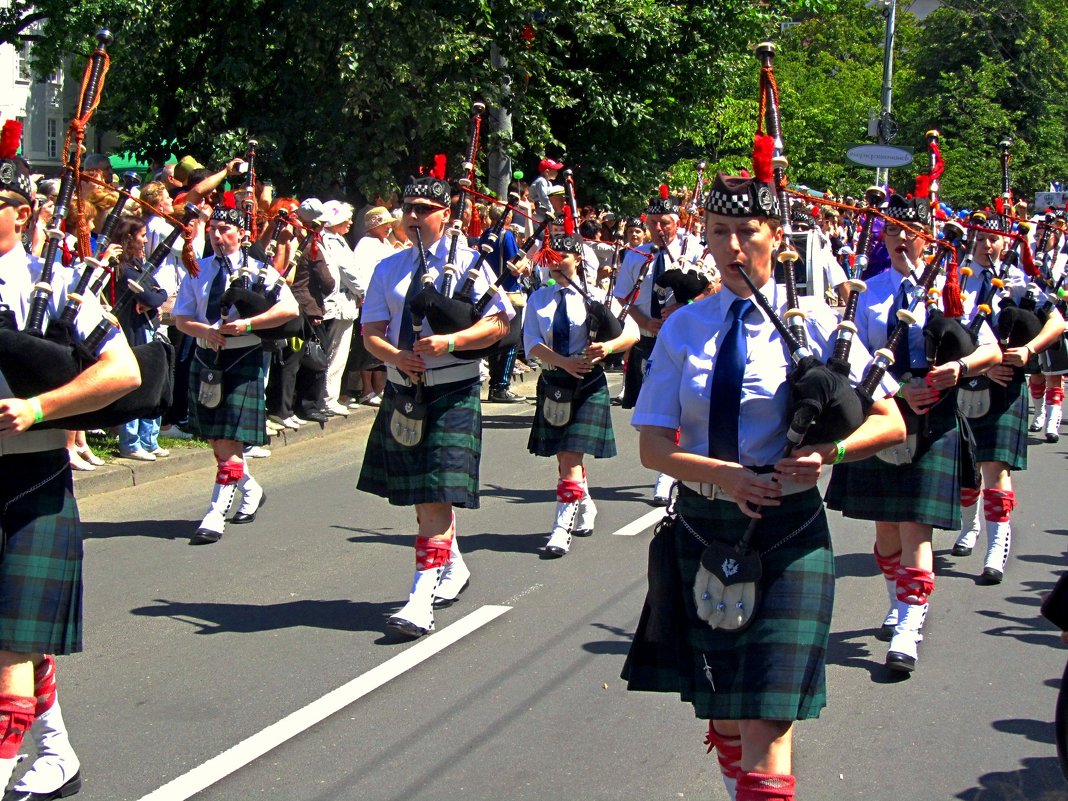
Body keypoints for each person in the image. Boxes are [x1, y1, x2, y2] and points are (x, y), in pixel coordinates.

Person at [621, 171, 904, 801]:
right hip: (704, 525)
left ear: (777, 240)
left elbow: (890, 421)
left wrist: (828, 453)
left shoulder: (820, 324)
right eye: (719, 232)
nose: (732, 247)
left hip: (790, 531)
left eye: (747, 233)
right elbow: (652, 447)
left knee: (769, 718)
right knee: (725, 711)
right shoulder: (684, 329)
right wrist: (725, 476)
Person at [0, 127, 141, 801]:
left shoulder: (57, 289)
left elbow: (123, 371)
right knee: (14, 639)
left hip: (31, 478)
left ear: (21, 212)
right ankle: (54, 751)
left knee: (10, 646)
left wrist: (40, 407)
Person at [825, 195, 1000, 672]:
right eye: (892, 232)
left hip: (935, 418)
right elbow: (851, 354)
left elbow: (990, 350)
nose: (901, 240)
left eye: (910, 232)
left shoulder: (951, 288)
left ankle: (908, 624)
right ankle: (896, 601)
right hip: (883, 415)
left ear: (927, 238)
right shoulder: (867, 291)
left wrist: (958, 369)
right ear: (882, 237)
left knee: (914, 526)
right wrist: (899, 388)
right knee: (886, 534)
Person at [357, 175, 513, 639]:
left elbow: (500, 323)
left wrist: (452, 341)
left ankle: (420, 597)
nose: (414, 216)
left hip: (453, 390)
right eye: (409, 207)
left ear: (445, 215)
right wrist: (397, 356)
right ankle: (454, 565)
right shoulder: (388, 269)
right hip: (405, 392)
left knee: (433, 496)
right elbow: (372, 332)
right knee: (428, 496)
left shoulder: (470, 264)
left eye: (425, 208)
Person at [173, 195, 299, 545]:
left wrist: (248, 325)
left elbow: (289, 309)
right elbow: (181, 318)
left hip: (242, 358)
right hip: (206, 357)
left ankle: (215, 514)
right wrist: (206, 331)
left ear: (242, 234)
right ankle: (251, 489)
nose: (217, 236)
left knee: (228, 440)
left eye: (225, 230)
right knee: (218, 439)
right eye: (213, 230)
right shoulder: (198, 270)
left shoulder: (260, 270)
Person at [952, 222, 1065, 582]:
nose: (987, 245)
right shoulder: (955, 280)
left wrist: (1030, 349)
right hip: (963, 383)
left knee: (994, 468)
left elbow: (1058, 323)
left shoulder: (1019, 281)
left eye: (993, 239)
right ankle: (969, 527)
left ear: (1005, 243)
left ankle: (996, 547)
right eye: (981, 238)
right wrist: (979, 369)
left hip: (1005, 391)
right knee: (966, 471)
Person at [523, 227, 637, 556]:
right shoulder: (539, 297)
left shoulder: (598, 296)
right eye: (552, 261)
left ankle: (561, 530)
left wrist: (607, 347)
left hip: (587, 383)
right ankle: (585, 504)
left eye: (564, 259)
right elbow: (531, 342)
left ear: (578, 260)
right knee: (564, 457)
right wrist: (562, 362)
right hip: (554, 383)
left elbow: (630, 334)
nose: (556, 266)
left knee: (570, 457)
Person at [614, 190, 700, 504]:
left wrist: (688, 307)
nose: (658, 229)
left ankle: (669, 474)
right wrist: (645, 322)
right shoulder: (636, 256)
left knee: (683, 405)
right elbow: (625, 297)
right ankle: (670, 462)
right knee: (654, 410)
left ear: (676, 222)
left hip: (687, 338)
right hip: (651, 340)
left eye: (664, 222)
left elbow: (712, 289)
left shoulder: (693, 249)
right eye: (653, 223)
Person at [111, 216, 171, 461]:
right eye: (142, 235)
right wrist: (153, 299)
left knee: (153, 383)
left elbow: (161, 292)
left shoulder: (138, 265)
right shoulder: (123, 269)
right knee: (136, 388)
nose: (146, 240)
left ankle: (149, 439)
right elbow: (149, 298)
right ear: (128, 238)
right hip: (132, 331)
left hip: (149, 329)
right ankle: (130, 442)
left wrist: (156, 298)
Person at [348, 206, 398, 407]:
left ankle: (379, 387)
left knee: (383, 346)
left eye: (389, 225)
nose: (388, 228)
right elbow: (362, 273)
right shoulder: (365, 245)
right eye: (384, 225)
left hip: (387, 301)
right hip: (372, 301)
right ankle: (366, 388)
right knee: (367, 346)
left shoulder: (384, 243)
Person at [318, 201, 360, 417]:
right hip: (340, 305)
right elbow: (349, 273)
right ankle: (328, 398)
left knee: (333, 353)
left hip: (340, 303)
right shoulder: (333, 240)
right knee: (335, 353)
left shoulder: (330, 239)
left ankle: (327, 396)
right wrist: (364, 291)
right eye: (346, 218)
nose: (350, 222)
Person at [529, 158, 562, 224]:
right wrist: (552, 210)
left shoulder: (549, 183)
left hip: (542, 208)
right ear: (547, 172)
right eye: (555, 170)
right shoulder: (541, 181)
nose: (557, 172)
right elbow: (543, 198)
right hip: (536, 209)